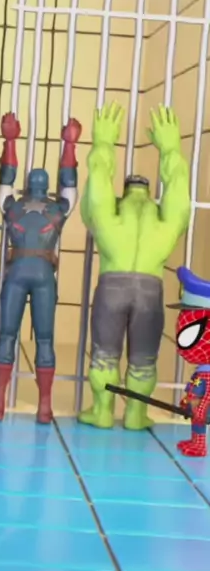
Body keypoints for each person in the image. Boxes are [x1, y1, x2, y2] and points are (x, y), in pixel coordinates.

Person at [80, 102, 191, 430]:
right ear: (150, 197)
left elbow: (97, 186)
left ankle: (102, 410)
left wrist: (103, 143)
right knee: (144, 358)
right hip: (150, 290)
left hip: (111, 286)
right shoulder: (163, 224)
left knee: (104, 353)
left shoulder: (110, 218)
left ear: (124, 195)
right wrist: (170, 149)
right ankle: (135, 413)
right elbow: (179, 196)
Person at [0, 112, 81, 423]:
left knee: (6, 335)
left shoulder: (12, 206)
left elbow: (5, 181)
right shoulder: (58, 209)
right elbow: (70, 186)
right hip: (43, 274)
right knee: (44, 339)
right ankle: (44, 407)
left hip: (16, 272)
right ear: (46, 186)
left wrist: (10, 140)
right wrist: (70, 145)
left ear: (27, 185)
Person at [170, 266, 210, 457]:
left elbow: (207, 394)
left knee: (199, 422)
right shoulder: (201, 371)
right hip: (196, 407)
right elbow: (195, 388)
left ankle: (200, 446)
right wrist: (187, 402)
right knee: (196, 423)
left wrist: (201, 408)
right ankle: (196, 442)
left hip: (201, 408)